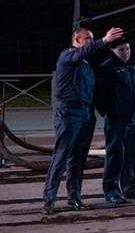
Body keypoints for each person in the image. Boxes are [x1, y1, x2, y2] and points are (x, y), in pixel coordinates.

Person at [42, 26, 123, 214]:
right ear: (77, 41)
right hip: (69, 113)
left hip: (86, 114)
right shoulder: (68, 56)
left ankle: (74, 197)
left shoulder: (86, 64)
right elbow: (84, 52)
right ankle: (49, 199)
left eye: (92, 39)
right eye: (88, 39)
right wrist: (103, 40)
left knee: (78, 159)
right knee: (61, 156)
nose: (91, 42)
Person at [94, 33, 135, 205]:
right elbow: (100, 96)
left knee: (132, 156)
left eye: (128, 49)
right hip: (117, 120)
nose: (126, 53)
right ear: (112, 50)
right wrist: (110, 113)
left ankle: (130, 188)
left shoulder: (133, 66)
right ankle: (111, 191)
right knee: (116, 157)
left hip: (133, 119)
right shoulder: (107, 68)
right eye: (121, 50)